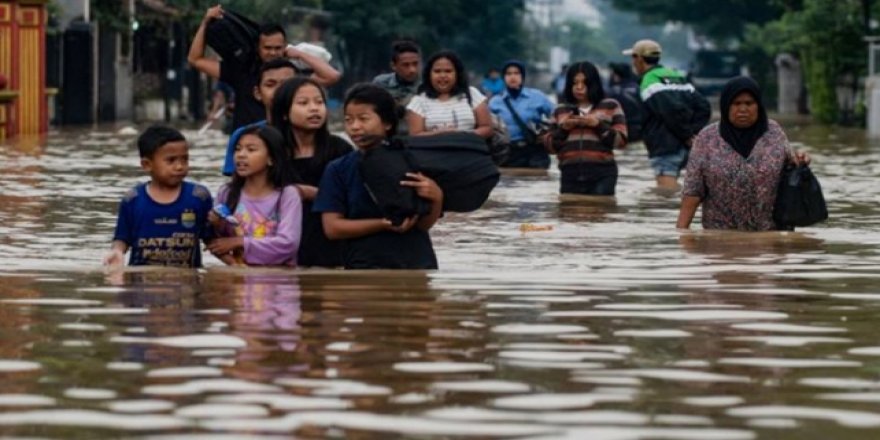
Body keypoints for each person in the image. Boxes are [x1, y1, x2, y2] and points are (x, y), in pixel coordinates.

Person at [315, 84, 444, 269]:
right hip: (364, 267)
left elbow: (423, 225)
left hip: (417, 264)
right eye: (349, 120)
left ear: (387, 123)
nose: (355, 127)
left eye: (363, 119)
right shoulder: (338, 169)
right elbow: (333, 228)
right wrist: (381, 224)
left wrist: (437, 196)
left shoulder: (413, 160)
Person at [676, 76, 811, 231]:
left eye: (749, 103)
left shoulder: (774, 133)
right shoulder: (706, 138)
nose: (743, 109)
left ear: (758, 106)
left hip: (770, 236)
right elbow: (693, 191)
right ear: (726, 106)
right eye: (736, 104)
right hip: (721, 238)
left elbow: (790, 170)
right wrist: (682, 234)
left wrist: (801, 160)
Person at [188, 5, 341, 131]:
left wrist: (299, 54)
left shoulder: (293, 75)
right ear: (258, 48)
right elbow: (195, 60)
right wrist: (205, 23)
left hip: (281, 145)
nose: (273, 53)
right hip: (247, 145)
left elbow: (332, 76)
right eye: (267, 48)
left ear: (285, 47)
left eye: (278, 48)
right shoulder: (241, 72)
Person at [269, 77, 353, 267]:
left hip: (331, 247)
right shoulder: (271, 152)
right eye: (303, 103)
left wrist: (313, 194)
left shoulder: (340, 150)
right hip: (282, 246)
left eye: (319, 102)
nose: (314, 108)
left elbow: (355, 200)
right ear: (284, 113)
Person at [103, 126, 214, 268]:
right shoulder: (132, 200)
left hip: (187, 285)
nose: (180, 166)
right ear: (147, 165)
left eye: (184, 159)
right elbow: (122, 238)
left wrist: (237, 265)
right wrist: (117, 252)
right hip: (141, 285)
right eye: (171, 160)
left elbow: (212, 241)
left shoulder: (199, 197)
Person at [210, 125, 302, 266]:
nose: (241, 155)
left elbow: (288, 243)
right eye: (238, 149)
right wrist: (217, 224)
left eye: (251, 149)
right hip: (237, 277)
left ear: (271, 159)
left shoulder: (287, 195)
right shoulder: (226, 193)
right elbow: (214, 240)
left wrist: (239, 242)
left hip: (279, 279)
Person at [624, 39, 710, 188]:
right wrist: (693, 133)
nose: (632, 62)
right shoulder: (676, 75)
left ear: (639, 59)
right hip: (686, 148)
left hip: (665, 147)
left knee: (666, 194)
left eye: (633, 57)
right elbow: (704, 107)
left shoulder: (649, 81)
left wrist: (687, 135)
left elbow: (670, 109)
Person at [545, 61, 627, 195]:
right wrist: (564, 129)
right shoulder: (560, 110)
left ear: (593, 83)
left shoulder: (611, 106)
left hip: (603, 174)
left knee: (600, 212)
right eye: (574, 83)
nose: (579, 87)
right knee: (568, 214)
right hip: (569, 174)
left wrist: (598, 125)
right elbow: (549, 147)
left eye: (584, 83)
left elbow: (621, 141)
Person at [221, 58, 298, 176]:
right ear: (257, 93)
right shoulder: (243, 136)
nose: (278, 90)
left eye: (286, 84)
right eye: (270, 84)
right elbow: (237, 186)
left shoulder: (312, 134)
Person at [406, 50, 493, 139]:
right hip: (432, 151)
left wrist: (461, 136)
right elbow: (415, 135)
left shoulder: (472, 94)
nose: (443, 75)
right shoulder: (419, 101)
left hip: (469, 150)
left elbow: (487, 128)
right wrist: (441, 134)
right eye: (437, 71)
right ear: (429, 74)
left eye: (448, 71)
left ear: (457, 74)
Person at [488, 60, 554, 168]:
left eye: (516, 73)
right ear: (504, 77)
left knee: (537, 180)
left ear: (522, 76)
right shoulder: (495, 102)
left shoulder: (537, 96)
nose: (512, 77)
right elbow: (487, 126)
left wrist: (548, 133)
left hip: (534, 152)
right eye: (508, 74)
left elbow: (556, 115)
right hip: (507, 153)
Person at [607, 62, 643, 144]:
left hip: (619, 132)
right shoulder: (639, 89)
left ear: (616, 75)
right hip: (639, 131)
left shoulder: (612, 92)